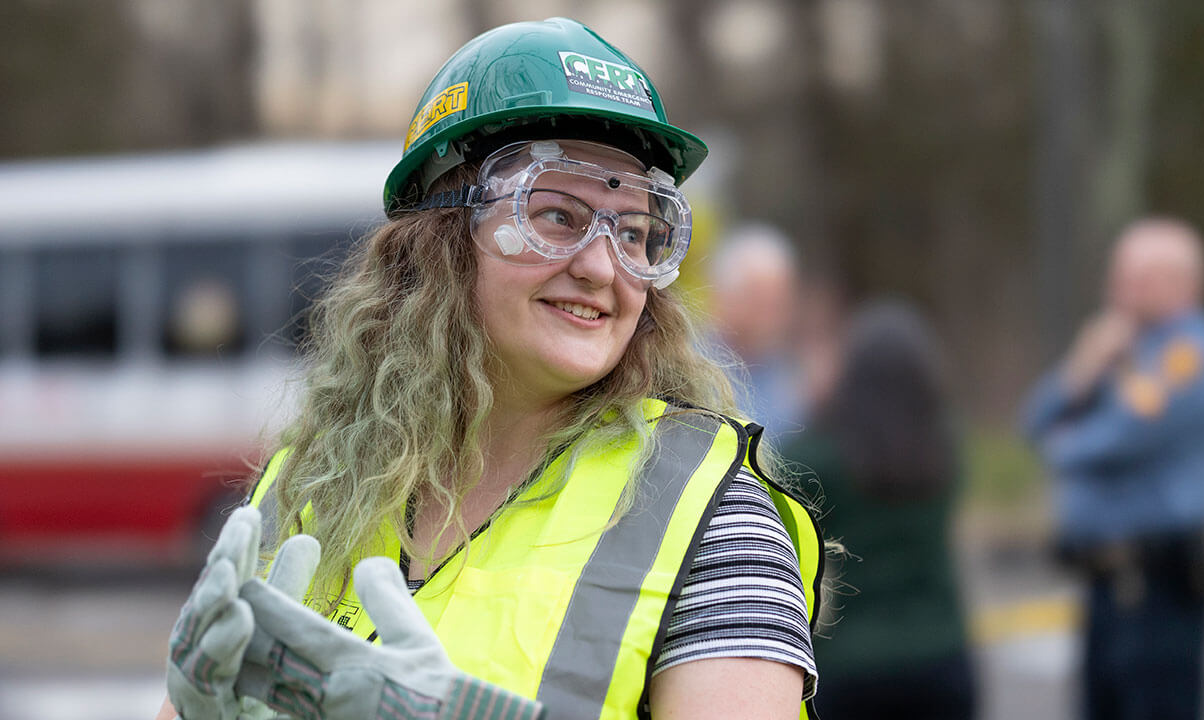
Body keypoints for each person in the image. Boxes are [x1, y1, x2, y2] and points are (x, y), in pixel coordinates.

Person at [156, 17, 823, 720]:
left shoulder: (714, 521)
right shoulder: (312, 482)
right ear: (440, 241)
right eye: (558, 216)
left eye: (633, 230)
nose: (602, 267)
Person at [1021, 217, 1204, 720]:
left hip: (1159, 588)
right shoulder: (1122, 347)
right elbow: (1034, 422)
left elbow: (1116, 439)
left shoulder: (1191, 353)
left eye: (1137, 278)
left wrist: (1064, 440)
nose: (1118, 289)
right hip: (1104, 582)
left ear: (1182, 282)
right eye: (1118, 275)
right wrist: (1081, 365)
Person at [786, 299, 976, 719]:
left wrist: (814, 402)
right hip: (941, 651)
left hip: (852, 663)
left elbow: (778, 476)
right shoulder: (944, 447)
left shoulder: (826, 456)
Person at [708, 223, 804, 436]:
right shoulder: (689, 366)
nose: (774, 317)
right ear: (726, 296)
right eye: (761, 302)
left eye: (779, 302)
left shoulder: (794, 382)